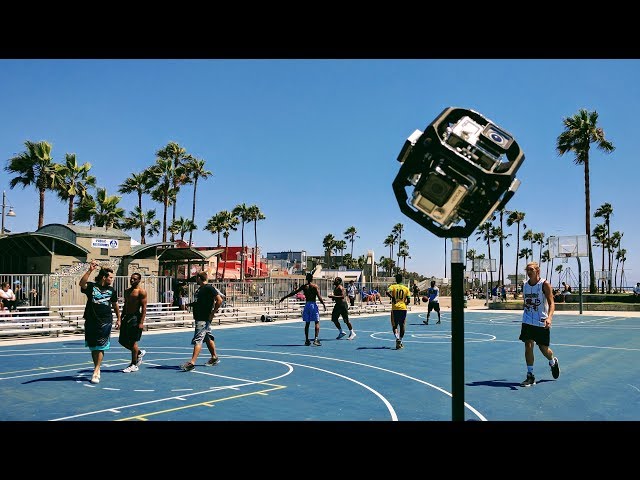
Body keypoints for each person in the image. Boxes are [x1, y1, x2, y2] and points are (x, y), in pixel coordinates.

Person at [79, 262, 122, 384]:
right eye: (110, 277)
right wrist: (90, 270)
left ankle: (96, 370)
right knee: (93, 347)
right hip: (91, 320)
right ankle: (96, 367)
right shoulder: (92, 287)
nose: (112, 279)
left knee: (101, 346)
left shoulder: (111, 290)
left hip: (105, 321)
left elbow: (115, 305)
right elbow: (81, 284)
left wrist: (119, 319)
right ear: (104, 277)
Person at [519, 261, 560, 387]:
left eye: (531, 269)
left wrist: (549, 318)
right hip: (527, 320)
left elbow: (552, 303)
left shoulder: (544, 284)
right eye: (527, 269)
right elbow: (526, 301)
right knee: (528, 345)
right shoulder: (525, 285)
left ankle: (553, 362)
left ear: (538, 271)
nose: (529, 271)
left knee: (543, 348)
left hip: (541, 321)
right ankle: (530, 375)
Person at [180, 271, 224, 371]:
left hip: (203, 318)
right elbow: (199, 302)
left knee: (198, 339)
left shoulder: (209, 288)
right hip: (200, 317)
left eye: (196, 278)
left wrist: (213, 312)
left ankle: (192, 362)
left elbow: (219, 300)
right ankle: (214, 357)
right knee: (208, 337)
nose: (196, 280)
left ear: (199, 278)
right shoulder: (200, 289)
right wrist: (189, 305)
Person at [279, 272, 326, 346]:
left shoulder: (304, 286)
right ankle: (316, 339)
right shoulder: (315, 287)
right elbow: (319, 297)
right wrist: (323, 304)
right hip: (313, 304)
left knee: (307, 323)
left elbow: (294, 292)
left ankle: (307, 340)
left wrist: (284, 297)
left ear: (306, 279)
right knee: (316, 322)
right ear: (312, 278)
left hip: (307, 305)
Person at [118, 272, 148, 373]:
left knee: (133, 341)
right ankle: (138, 353)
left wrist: (141, 322)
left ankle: (133, 364)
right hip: (126, 318)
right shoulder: (127, 291)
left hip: (135, 318)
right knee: (122, 341)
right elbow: (126, 306)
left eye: (134, 279)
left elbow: (144, 308)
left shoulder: (141, 292)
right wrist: (121, 318)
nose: (132, 280)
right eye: (131, 278)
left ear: (139, 280)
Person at [386, 273, 411, 350]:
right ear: (402, 280)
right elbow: (409, 300)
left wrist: (392, 297)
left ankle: (397, 339)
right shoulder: (406, 288)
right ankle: (400, 340)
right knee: (402, 325)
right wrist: (404, 303)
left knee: (395, 326)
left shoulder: (393, 286)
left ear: (396, 280)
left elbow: (387, 292)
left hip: (395, 308)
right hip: (403, 308)